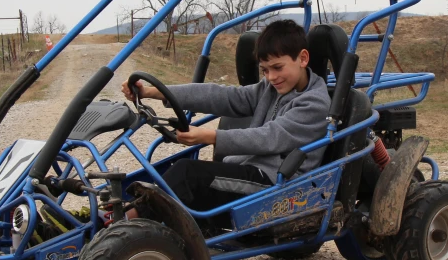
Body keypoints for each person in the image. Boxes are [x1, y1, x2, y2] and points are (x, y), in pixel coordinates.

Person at [121, 19, 330, 229]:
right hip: (253, 172)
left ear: (303, 58)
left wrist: (210, 137)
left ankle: (124, 225)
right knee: (179, 178)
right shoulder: (270, 88)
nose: (271, 77)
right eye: (265, 70)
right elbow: (221, 96)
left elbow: (269, 137)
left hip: (281, 185)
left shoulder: (314, 103)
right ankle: (129, 217)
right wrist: (152, 92)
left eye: (277, 67)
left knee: (187, 176)